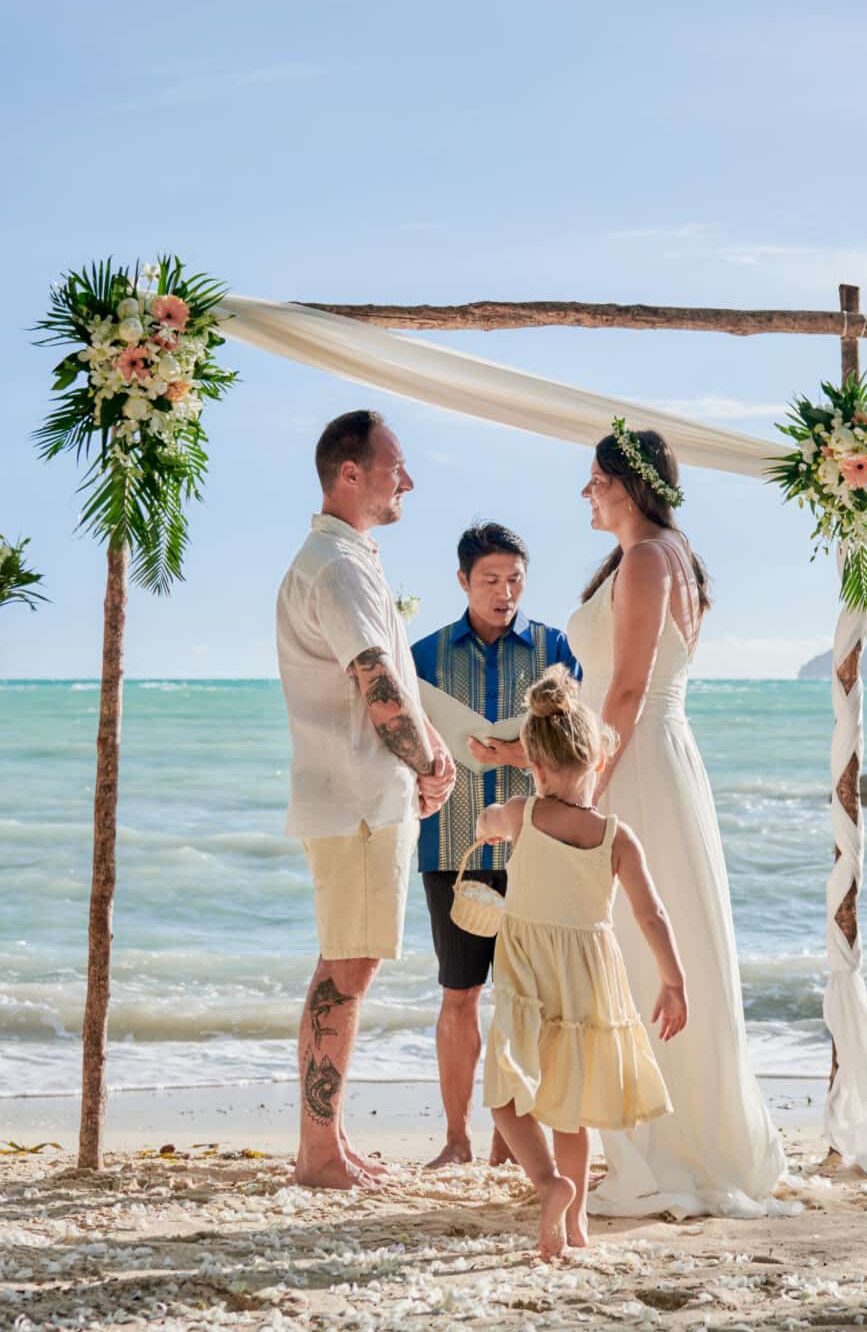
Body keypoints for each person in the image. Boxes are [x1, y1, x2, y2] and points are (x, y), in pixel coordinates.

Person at [474, 425, 793, 1218]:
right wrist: (522, 748)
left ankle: (662, 1149)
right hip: (642, 754)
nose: (586, 492)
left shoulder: (650, 558)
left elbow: (625, 691)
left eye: (596, 479)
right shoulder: (654, 555)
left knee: (624, 953)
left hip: (635, 761)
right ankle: (658, 1137)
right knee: (637, 944)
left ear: (631, 484)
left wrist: (583, 793)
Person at [274, 409, 456, 1190]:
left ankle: (331, 1139)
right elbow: (376, 684)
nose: (407, 479)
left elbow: (389, 679)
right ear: (350, 473)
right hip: (354, 799)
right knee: (345, 970)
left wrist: (427, 758)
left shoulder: (347, 558)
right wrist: (430, 762)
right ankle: (318, 1153)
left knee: (346, 964)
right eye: (395, 465)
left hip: (359, 796)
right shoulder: (335, 567)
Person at [476, 667, 684, 1261]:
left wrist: (491, 827)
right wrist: (673, 980)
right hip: (588, 980)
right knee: (572, 1112)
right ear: (597, 760)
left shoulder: (523, 814)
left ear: (534, 766)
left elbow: (488, 823)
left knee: (506, 1097)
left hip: (528, 979)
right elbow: (651, 915)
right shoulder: (617, 837)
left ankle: (550, 1185)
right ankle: (576, 1227)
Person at [409, 521, 581, 1169]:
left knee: (528, 999)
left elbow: (581, 744)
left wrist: (516, 753)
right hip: (450, 847)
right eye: (490, 580)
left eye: (514, 579)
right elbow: (395, 737)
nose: (504, 592)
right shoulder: (422, 656)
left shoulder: (555, 649)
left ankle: (512, 1144)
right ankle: (456, 1140)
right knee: (460, 993)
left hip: (537, 847)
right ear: (462, 580)